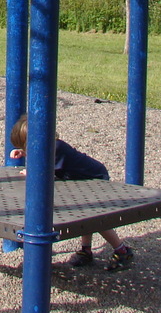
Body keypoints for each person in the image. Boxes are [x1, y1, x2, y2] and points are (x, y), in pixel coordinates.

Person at [8, 114, 134, 271]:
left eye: (25, 148)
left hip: (95, 179)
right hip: (81, 181)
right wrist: (22, 153)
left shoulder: (55, 148)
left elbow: (44, 172)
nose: (26, 152)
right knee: (86, 216)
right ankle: (86, 250)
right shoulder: (47, 146)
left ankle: (122, 250)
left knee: (94, 219)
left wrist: (31, 171)